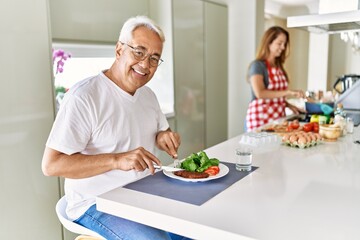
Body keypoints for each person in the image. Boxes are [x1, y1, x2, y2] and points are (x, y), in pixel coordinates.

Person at [42, 16, 188, 240]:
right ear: (119, 49)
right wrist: (117, 160)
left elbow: (159, 133)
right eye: (138, 52)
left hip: (143, 194)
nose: (145, 64)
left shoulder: (148, 96)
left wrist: (164, 137)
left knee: (196, 230)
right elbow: (51, 165)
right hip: (96, 203)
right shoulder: (84, 97)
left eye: (154, 58)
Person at [245, 26, 305, 132]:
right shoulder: (257, 66)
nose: (283, 47)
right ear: (269, 43)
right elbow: (260, 93)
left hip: (277, 119)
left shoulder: (278, 67)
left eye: (284, 44)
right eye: (279, 43)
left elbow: (275, 97)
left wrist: (289, 105)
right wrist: (288, 92)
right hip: (260, 119)